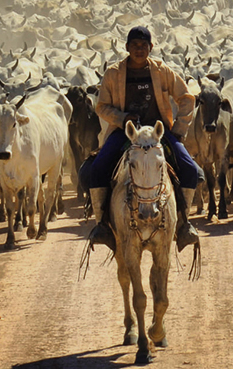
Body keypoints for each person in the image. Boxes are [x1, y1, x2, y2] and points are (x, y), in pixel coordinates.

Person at [82, 26, 203, 252]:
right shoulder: (113, 73)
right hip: (124, 131)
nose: (139, 49)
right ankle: (102, 226)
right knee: (98, 168)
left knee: (190, 169)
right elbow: (102, 106)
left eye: (144, 45)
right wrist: (121, 117)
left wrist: (179, 129)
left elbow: (186, 98)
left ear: (151, 48)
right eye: (135, 45)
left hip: (158, 131)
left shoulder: (161, 71)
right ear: (127, 48)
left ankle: (184, 224)